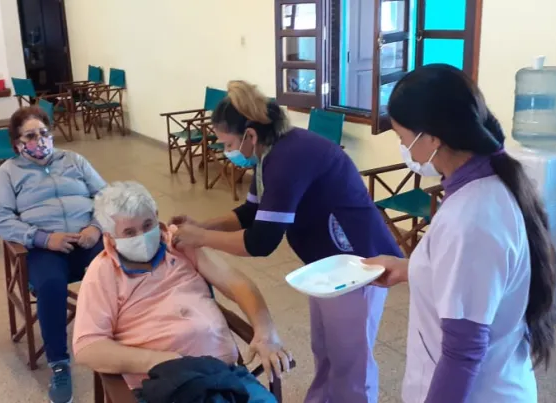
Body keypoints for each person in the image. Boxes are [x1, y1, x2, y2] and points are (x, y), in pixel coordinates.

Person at [170, 81, 402, 402]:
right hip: (325, 264)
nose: (226, 151)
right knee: (325, 349)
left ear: (250, 135)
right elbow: (251, 212)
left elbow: (261, 242)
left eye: (228, 143)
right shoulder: (269, 154)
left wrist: (200, 238)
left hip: (357, 264)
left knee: (350, 362)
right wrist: (202, 225)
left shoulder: (289, 158)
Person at [364, 64, 556, 402]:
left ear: (431, 138)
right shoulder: (490, 184)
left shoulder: (471, 218)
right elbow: (474, 276)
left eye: (402, 137)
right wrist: (409, 269)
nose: (403, 147)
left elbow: (462, 353)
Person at [72, 181, 292, 402]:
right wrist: (158, 360)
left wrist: (266, 331)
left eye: (148, 225)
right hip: (164, 385)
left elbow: (236, 283)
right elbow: (88, 346)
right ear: (110, 237)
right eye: (129, 233)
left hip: (223, 373)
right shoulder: (103, 272)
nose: (142, 236)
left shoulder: (179, 243)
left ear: (157, 216)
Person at [0, 106, 107, 403]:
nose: (39, 140)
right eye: (30, 136)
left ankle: (126, 336)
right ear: (17, 143)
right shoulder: (7, 173)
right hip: (44, 248)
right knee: (51, 285)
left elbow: (106, 196)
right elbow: (1, 219)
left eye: (43, 132)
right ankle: (59, 364)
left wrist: (96, 226)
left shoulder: (74, 160)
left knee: (121, 266)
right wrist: (42, 238)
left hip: (87, 239)